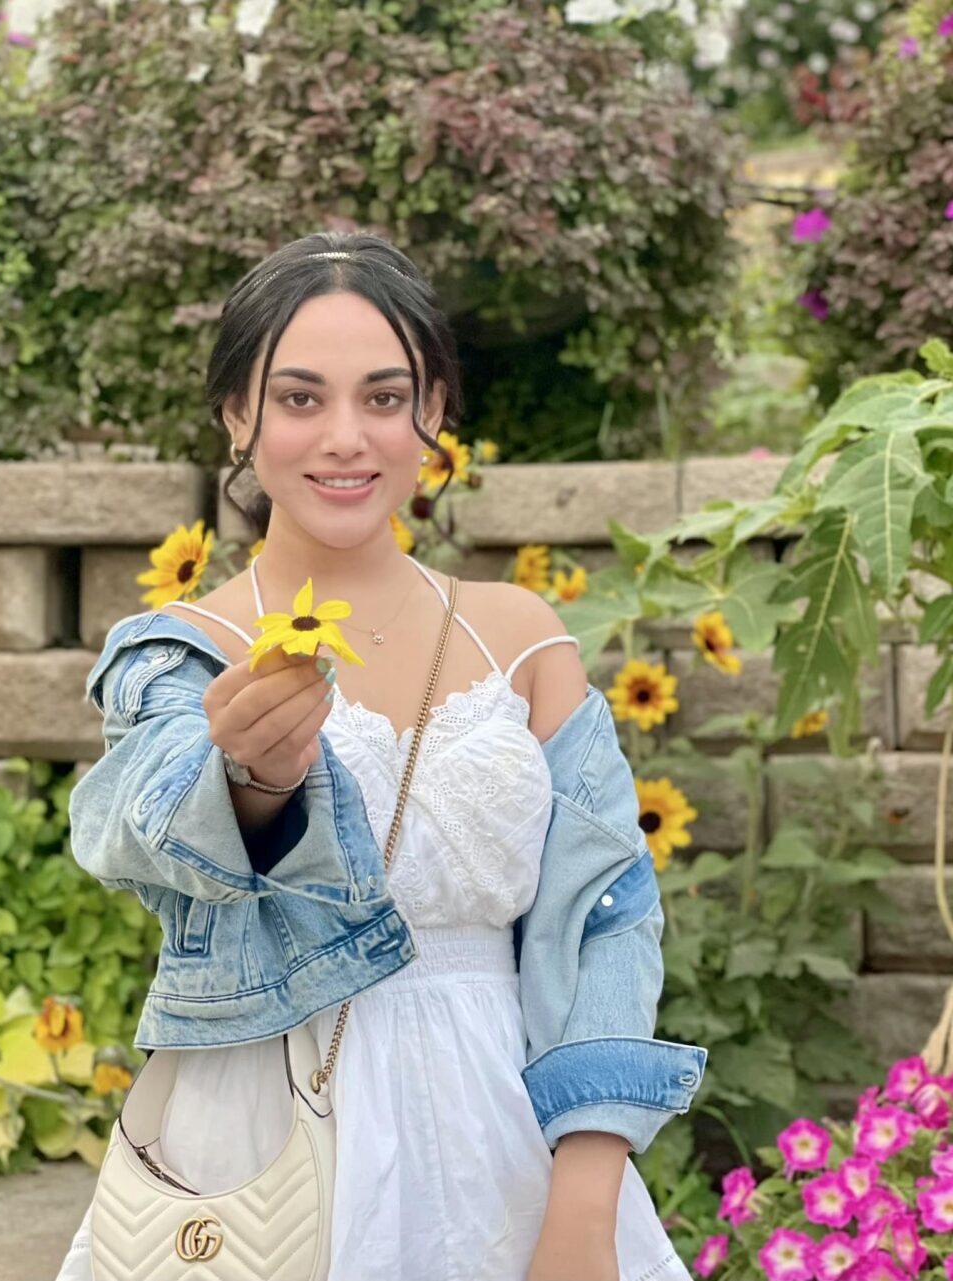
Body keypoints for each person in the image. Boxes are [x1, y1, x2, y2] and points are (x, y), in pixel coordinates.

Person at [54, 231, 707, 1281]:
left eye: (385, 397)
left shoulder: (522, 636)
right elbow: (129, 829)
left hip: (511, 1140)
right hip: (263, 1138)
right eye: (300, 398)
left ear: (432, 411)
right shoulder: (183, 653)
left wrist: (587, 1197)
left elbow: (611, 917)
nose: (345, 438)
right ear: (238, 416)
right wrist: (252, 778)